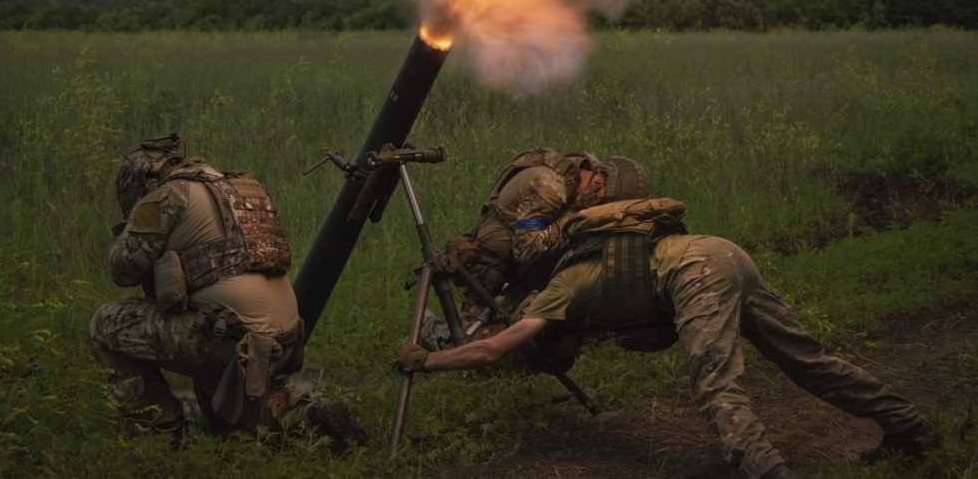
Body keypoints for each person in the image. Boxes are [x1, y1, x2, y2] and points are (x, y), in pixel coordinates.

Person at [398, 160, 938, 479]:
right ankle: (911, 427)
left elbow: (496, 348)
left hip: (697, 273)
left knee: (716, 383)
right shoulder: (594, 260)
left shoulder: (563, 287)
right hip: (722, 253)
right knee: (808, 361)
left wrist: (427, 360)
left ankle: (764, 469)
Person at [90, 134, 362, 444]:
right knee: (226, 428)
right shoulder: (239, 186)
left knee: (106, 323)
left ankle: (157, 433)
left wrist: (132, 225)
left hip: (230, 339)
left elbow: (122, 269)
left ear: (141, 182)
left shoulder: (166, 196)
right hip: (283, 338)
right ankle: (310, 416)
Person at [424, 149, 644, 349]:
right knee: (466, 340)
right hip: (495, 262)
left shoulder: (584, 175)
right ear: (597, 185)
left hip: (524, 260)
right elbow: (527, 249)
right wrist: (573, 219)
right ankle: (430, 330)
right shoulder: (550, 187)